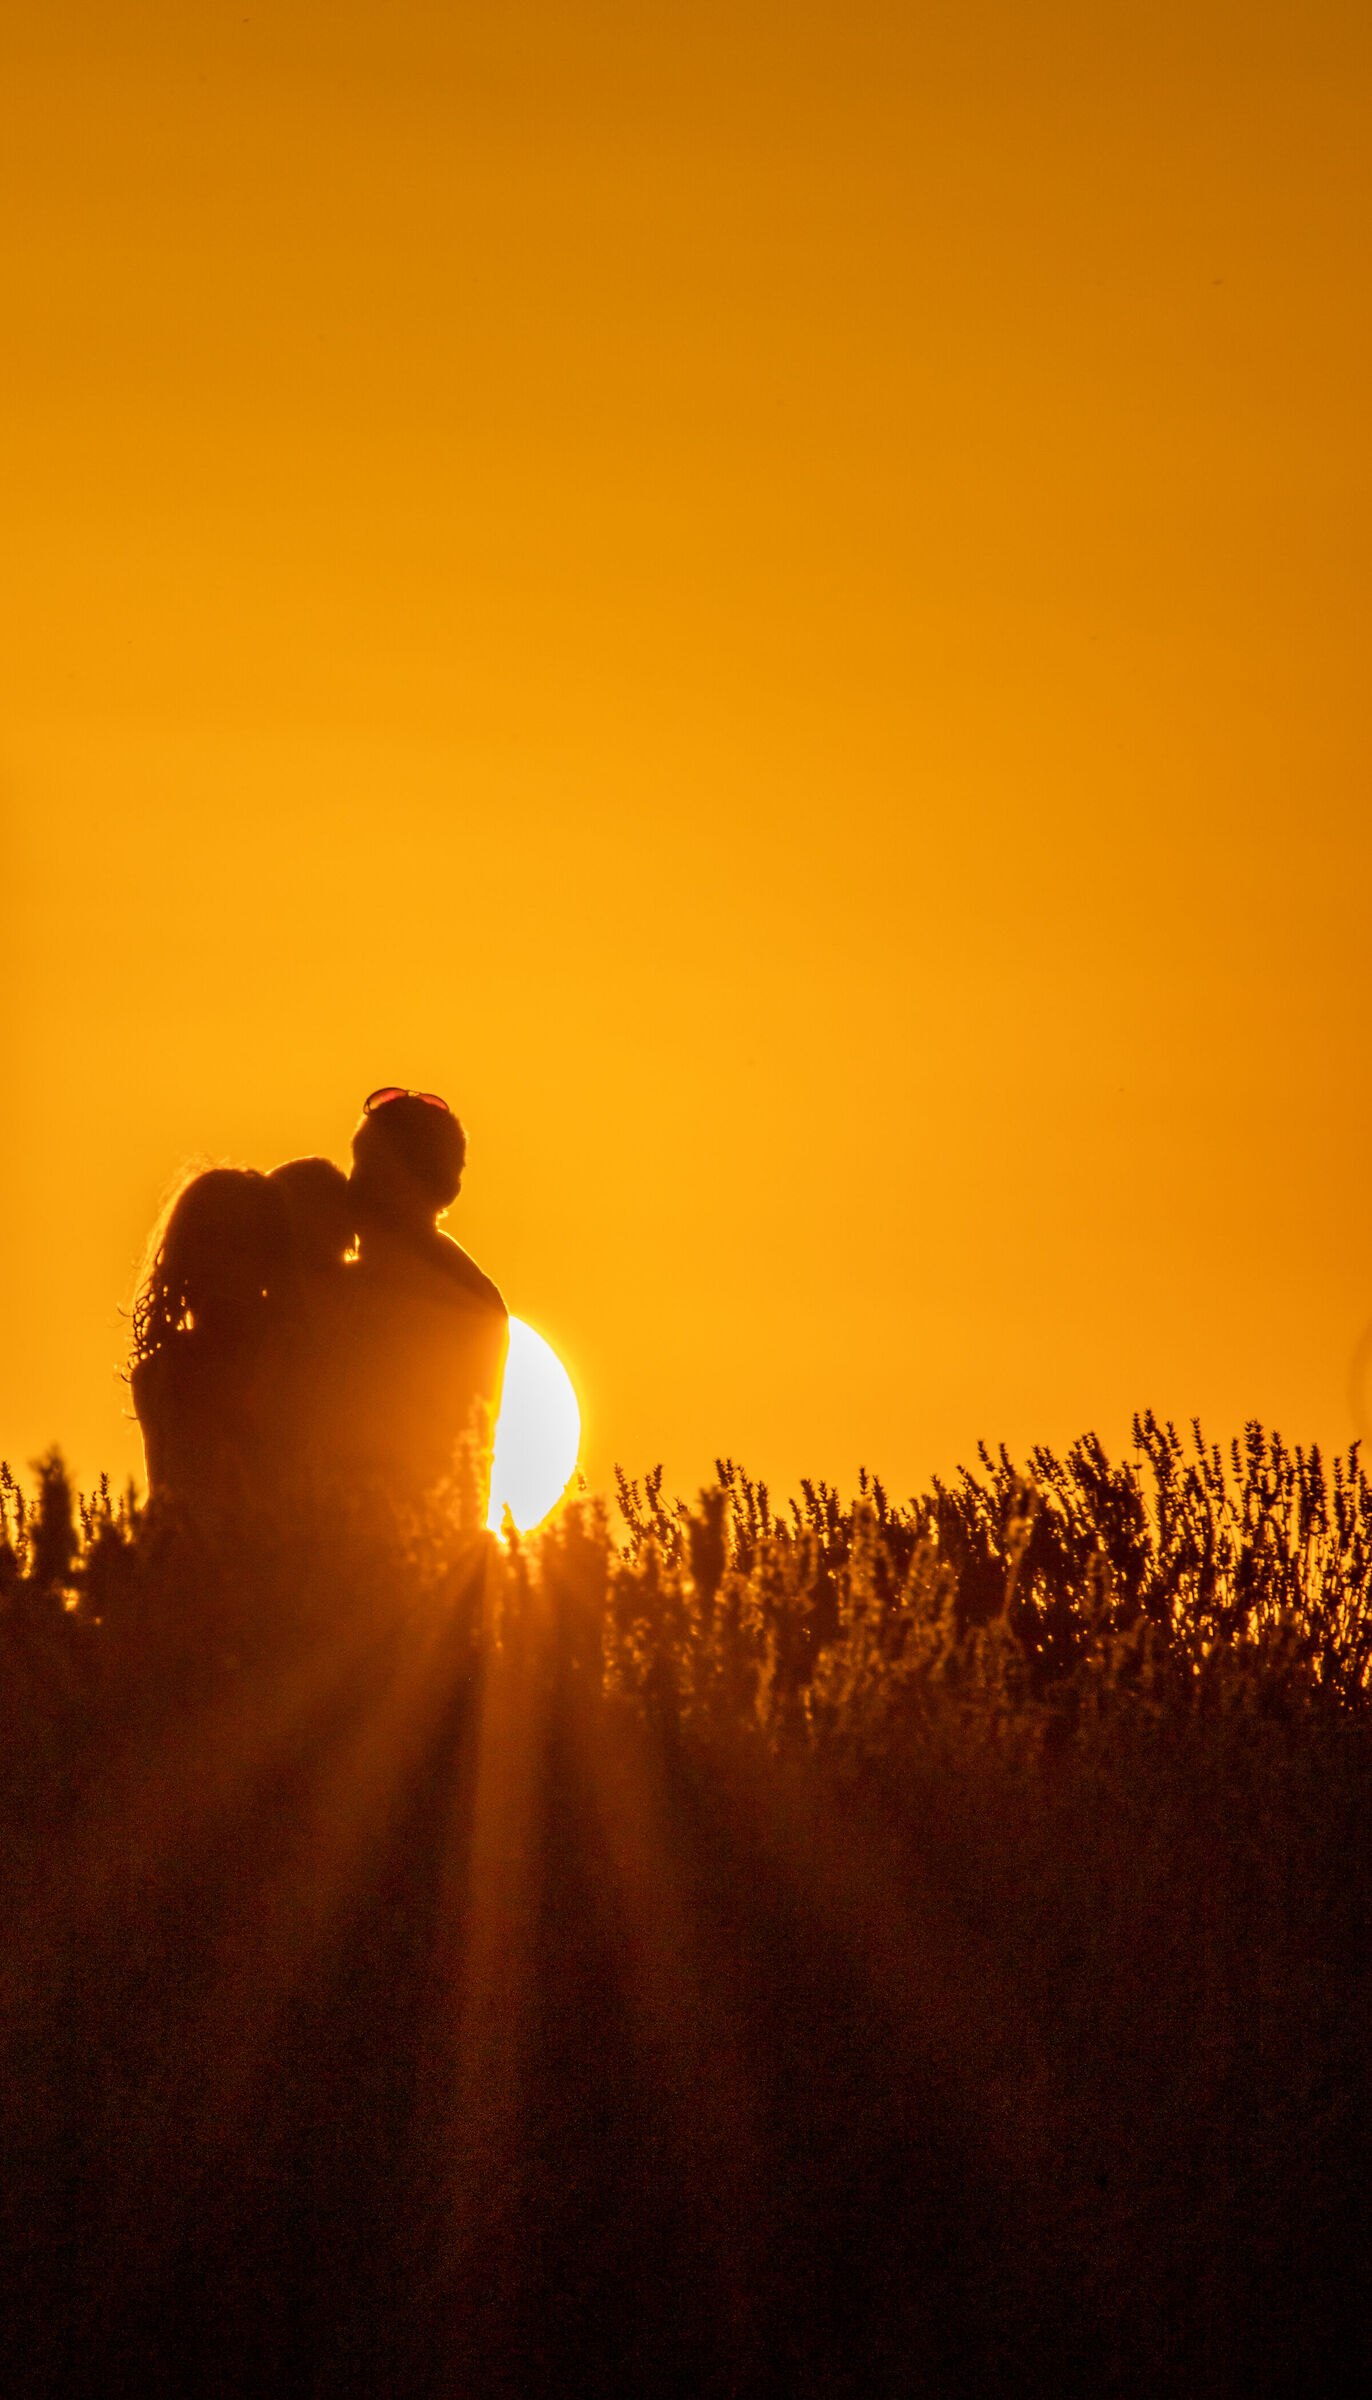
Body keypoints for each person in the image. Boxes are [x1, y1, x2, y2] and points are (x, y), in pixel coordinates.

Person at [341, 1088, 509, 1507]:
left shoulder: (422, 1297)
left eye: (370, 1166)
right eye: (357, 1163)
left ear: (416, 1181)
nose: (354, 1183)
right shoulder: (476, 1294)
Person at [130, 1167, 290, 1517]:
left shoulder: (289, 1356)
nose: (222, 1268)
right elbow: (166, 1499)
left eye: (240, 1248)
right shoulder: (159, 1377)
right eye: (210, 1245)